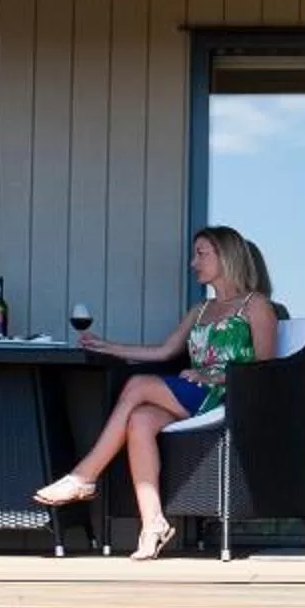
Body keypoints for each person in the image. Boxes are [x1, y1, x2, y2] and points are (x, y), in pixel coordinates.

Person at [35, 227, 277, 561]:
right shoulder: (200, 311)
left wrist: (214, 374)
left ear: (225, 256)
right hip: (194, 396)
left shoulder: (256, 306)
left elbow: (265, 367)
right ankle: (153, 524)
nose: (194, 263)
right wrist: (108, 346)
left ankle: (84, 476)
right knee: (140, 419)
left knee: (136, 387)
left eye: (201, 254)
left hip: (228, 397)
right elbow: (163, 352)